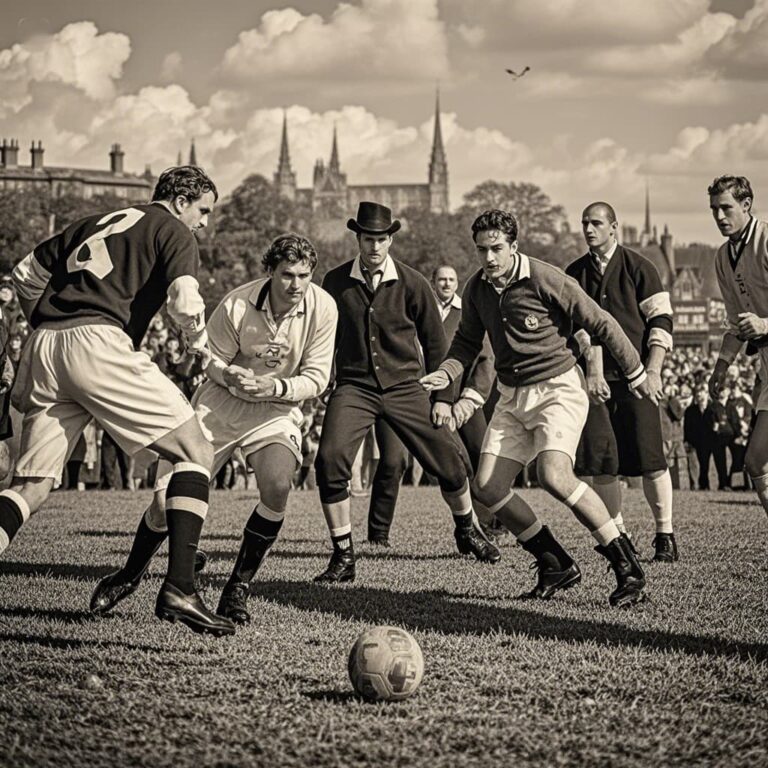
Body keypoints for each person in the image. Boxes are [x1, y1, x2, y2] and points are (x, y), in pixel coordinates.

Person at [2, 165, 234, 637]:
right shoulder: (173, 228)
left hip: (45, 345)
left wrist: (48, 324)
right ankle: (180, 588)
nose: (205, 222)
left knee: (30, 485)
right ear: (182, 201)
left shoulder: (94, 221)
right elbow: (185, 300)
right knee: (196, 452)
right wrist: (197, 343)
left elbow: (25, 275)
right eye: (204, 210)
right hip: (99, 342)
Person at [92, 233, 338, 626]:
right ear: (270, 272)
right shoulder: (237, 303)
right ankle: (129, 574)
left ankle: (237, 588)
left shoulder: (324, 307)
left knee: (278, 486)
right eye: (287, 274)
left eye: (304, 275)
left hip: (275, 409)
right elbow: (210, 361)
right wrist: (230, 375)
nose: (296, 284)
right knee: (163, 503)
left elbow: (318, 377)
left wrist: (276, 387)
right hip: (220, 404)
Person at [422, 209, 656, 608]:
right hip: (512, 395)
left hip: (558, 388)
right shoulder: (476, 288)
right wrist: (446, 373)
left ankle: (627, 567)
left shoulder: (546, 278)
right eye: (482, 250)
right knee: (487, 487)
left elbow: (601, 322)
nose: (489, 258)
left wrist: (637, 373)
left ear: (514, 245)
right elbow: (466, 343)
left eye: (497, 248)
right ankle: (554, 563)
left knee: (553, 475)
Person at [314, 201, 499, 583]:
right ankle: (343, 554)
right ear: (358, 239)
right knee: (329, 461)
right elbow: (322, 335)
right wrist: (320, 378)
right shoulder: (334, 282)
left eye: (381, 239)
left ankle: (467, 529)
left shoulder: (413, 283)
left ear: (391, 240)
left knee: (451, 461)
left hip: (406, 387)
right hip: (354, 387)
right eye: (368, 239)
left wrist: (443, 399)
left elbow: (436, 345)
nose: (375, 246)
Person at [566, 202, 677, 562]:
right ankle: (620, 536)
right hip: (595, 382)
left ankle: (665, 534)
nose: (589, 229)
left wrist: (653, 370)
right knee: (603, 462)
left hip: (637, 378)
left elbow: (661, 320)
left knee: (651, 458)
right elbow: (577, 328)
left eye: (596, 223)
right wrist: (593, 370)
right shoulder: (574, 273)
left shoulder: (640, 267)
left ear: (614, 227)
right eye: (584, 223)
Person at [365, 263, 496, 545]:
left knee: (479, 456)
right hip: (408, 396)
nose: (447, 284)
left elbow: (486, 360)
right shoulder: (413, 306)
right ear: (432, 282)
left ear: (457, 283)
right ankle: (378, 533)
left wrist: (467, 400)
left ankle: (489, 525)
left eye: (452, 279)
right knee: (392, 461)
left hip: (461, 399)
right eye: (441, 279)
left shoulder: (468, 312)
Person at [708, 174, 768, 514]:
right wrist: (721, 367)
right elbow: (735, 324)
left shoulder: (766, 240)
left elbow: (756, 323)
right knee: (756, 461)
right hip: (766, 366)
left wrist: (764, 324)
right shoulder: (722, 257)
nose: (719, 216)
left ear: (746, 205)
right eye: (714, 209)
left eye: (726, 207)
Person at [684, 385, 718, 490]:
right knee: (700, 463)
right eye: (698, 394)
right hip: (697, 441)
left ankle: (714, 483)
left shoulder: (714, 408)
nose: (700, 396)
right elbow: (687, 427)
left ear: (707, 395)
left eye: (702, 393)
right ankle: (701, 484)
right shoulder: (690, 410)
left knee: (710, 464)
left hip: (712, 440)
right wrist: (687, 440)